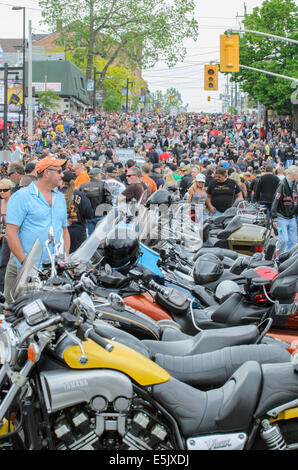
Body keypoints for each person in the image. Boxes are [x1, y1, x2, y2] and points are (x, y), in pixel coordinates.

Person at [5, 156, 70, 304]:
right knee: (21, 313)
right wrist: (26, 263)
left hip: (53, 270)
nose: (62, 175)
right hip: (28, 271)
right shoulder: (22, 196)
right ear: (47, 173)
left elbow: (64, 230)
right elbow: (11, 233)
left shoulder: (60, 198)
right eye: (59, 171)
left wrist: (65, 257)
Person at [61, 170, 94, 252]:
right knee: (77, 261)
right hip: (77, 232)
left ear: (61, 181)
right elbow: (89, 213)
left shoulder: (56, 194)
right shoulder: (80, 195)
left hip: (61, 232)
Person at [271, 165, 298, 257]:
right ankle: (277, 257)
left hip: (292, 217)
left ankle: (288, 258)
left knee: (293, 241)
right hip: (281, 217)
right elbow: (275, 200)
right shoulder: (282, 184)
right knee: (283, 240)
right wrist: (274, 218)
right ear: (294, 173)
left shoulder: (295, 184)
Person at [80, 167, 113, 235]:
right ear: (97, 175)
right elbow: (109, 200)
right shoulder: (103, 184)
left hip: (89, 215)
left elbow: (80, 202)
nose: (101, 176)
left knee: (91, 238)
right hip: (101, 215)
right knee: (101, 237)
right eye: (100, 175)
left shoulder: (83, 186)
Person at [0, 178, 13, 292]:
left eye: (5, 190)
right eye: (0, 190)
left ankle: (4, 288)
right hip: (2, 236)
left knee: (5, 263)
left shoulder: (14, 202)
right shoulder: (1, 203)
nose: (2, 192)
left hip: (9, 237)